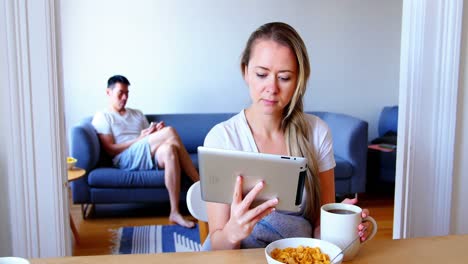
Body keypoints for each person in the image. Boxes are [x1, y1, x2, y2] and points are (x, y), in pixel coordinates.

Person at [202, 22, 371, 250]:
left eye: (284, 77)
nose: (271, 88)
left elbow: (320, 227)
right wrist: (234, 231)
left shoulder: (317, 132)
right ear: (245, 72)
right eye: (261, 74)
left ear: (299, 80)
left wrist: (341, 226)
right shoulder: (222, 139)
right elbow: (217, 247)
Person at [92, 75, 199, 228]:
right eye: (120, 93)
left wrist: (155, 132)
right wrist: (141, 138)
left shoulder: (137, 114)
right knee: (170, 132)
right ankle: (200, 184)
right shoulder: (103, 117)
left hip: (145, 153)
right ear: (108, 92)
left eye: (127, 93)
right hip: (125, 157)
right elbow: (110, 150)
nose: (124, 97)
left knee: (170, 150)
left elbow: (148, 140)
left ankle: (174, 212)